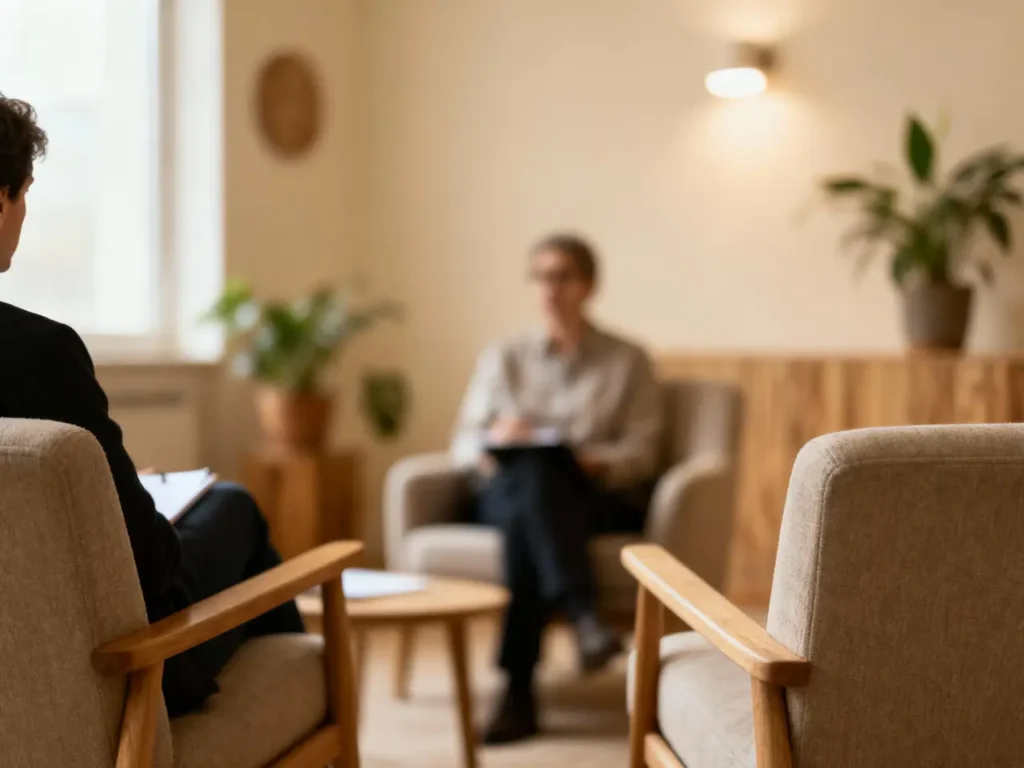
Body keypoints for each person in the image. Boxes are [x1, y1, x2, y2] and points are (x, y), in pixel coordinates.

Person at [0, 94, 304, 716]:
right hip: (124, 673)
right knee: (232, 506)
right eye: (24, 193)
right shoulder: (42, 353)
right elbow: (147, 561)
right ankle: (299, 709)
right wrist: (141, 511)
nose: (25, 215)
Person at [452, 233, 664, 744]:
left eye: (564, 275)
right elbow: (463, 444)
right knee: (531, 478)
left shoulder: (628, 359)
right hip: (506, 493)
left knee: (543, 486)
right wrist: (496, 440)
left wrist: (586, 459)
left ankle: (517, 693)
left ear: (588, 285)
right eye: (542, 275)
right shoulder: (504, 357)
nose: (551, 287)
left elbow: (643, 451)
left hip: (590, 493)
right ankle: (583, 615)